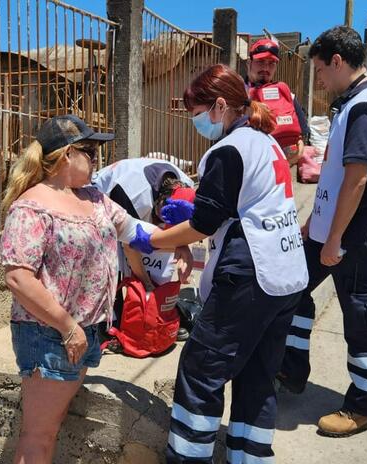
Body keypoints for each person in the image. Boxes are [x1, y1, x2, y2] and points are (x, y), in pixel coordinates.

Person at [129, 64, 309, 463]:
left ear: (220, 106)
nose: (195, 121)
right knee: (257, 374)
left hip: (252, 271)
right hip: (288, 271)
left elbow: (204, 224)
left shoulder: (228, 149)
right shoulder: (268, 142)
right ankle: (250, 457)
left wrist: (152, 238)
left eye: (197, 113)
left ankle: (188, 457)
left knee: (201, 368)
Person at [0, 115, 157, 463]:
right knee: (38, 435)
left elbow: (139, 234)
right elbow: (18, 278)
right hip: (50, 334)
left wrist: (186, 240)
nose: (97, 158)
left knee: (49, 429)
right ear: (67, 155)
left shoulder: (94, 199)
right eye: (90, 150)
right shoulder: (32, 206)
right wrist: (68, 327)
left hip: (84, 332)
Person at [276, 26, 367, 438]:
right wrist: (314, 226)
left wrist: (333, 239)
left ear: (338, 61)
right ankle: (292, 369)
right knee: (293, 288)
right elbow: (335, 178)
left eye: (319, 70)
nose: (318, 79)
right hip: (332, 227)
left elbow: (355, 180)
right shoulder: (354, 103)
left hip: (356, 232)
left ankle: (365, 404)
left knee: (360, 313)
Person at [91, 158, 195, 292]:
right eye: (162, 219)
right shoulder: (133, 194)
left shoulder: (187, 189)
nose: (161, 224)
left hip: (135, 194)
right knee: (111, 280)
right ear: (159, 202)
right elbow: (130, 247)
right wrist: (147, 286)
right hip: (97, 212)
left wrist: (182, 247)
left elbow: (179, 235)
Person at [245, 38, 311, 162]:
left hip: (280, 170)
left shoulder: (287, 96)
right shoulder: (237, 95)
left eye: (271, 63)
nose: (266, 67)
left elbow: (300, 143)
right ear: (249, 63)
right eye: (260, 61)